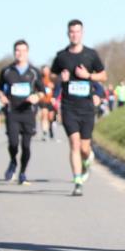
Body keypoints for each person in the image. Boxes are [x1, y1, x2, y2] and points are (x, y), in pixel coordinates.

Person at [51, 19, 107, 196]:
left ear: (82, 33)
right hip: (69, 107)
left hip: (87, 107)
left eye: (77, 31)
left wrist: (87, 75)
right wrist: (60, 79)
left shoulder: (91, 54)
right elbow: (51, 77)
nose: (74, 35)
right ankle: (77, 182)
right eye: (71, 32)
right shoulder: (61, 56)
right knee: (74, 144)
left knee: (84, 148)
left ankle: (87, 160)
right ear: (67, 34)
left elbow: (103, 76)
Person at [0, 40, 45, 185]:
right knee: (13, 143)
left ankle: (22, 172)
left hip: (28, 113)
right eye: (17, 50)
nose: (20, 53)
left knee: (26, 146)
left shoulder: (34, 72)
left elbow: (42, 91)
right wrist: (2, 96)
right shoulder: (7, 71)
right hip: (12, 112)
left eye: (23, 50)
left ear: (27, 52)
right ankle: (13, 161)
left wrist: (36, 97)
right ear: (14, 52)